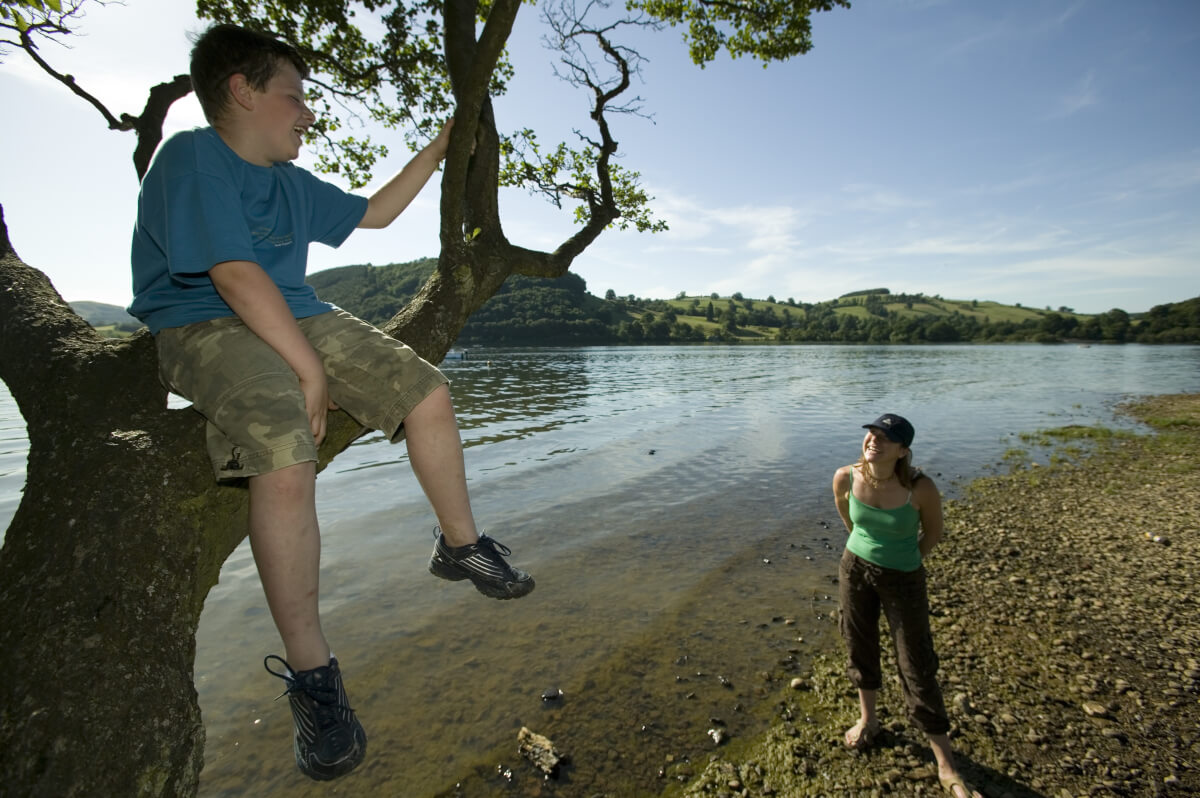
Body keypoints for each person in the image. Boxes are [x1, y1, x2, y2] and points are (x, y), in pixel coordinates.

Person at [128, 23, 534, 782]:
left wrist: (446, 144)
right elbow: (233, 275)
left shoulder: (290, 182)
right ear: (242, 92)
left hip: (296, 311)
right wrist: (309, 373)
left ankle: (459, 543)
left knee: (428, 393)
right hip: (202, 319)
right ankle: (315, 678)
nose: (308, 113)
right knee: (285, 443)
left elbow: (376, 214)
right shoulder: (192, 156)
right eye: (296, 97)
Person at [831, 414, 981, 798]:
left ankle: (945, 763)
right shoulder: (845, 477)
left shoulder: (920, 488)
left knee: (916, 663)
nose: (873, 440)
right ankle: (869, 721)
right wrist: (866, 548)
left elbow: (933, 533)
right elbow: (848, 518)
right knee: (858, 644)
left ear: (902, 451)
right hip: (855, 571)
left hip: (904, 578)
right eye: (871, 432)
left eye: (885, 437)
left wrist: (904, 558)